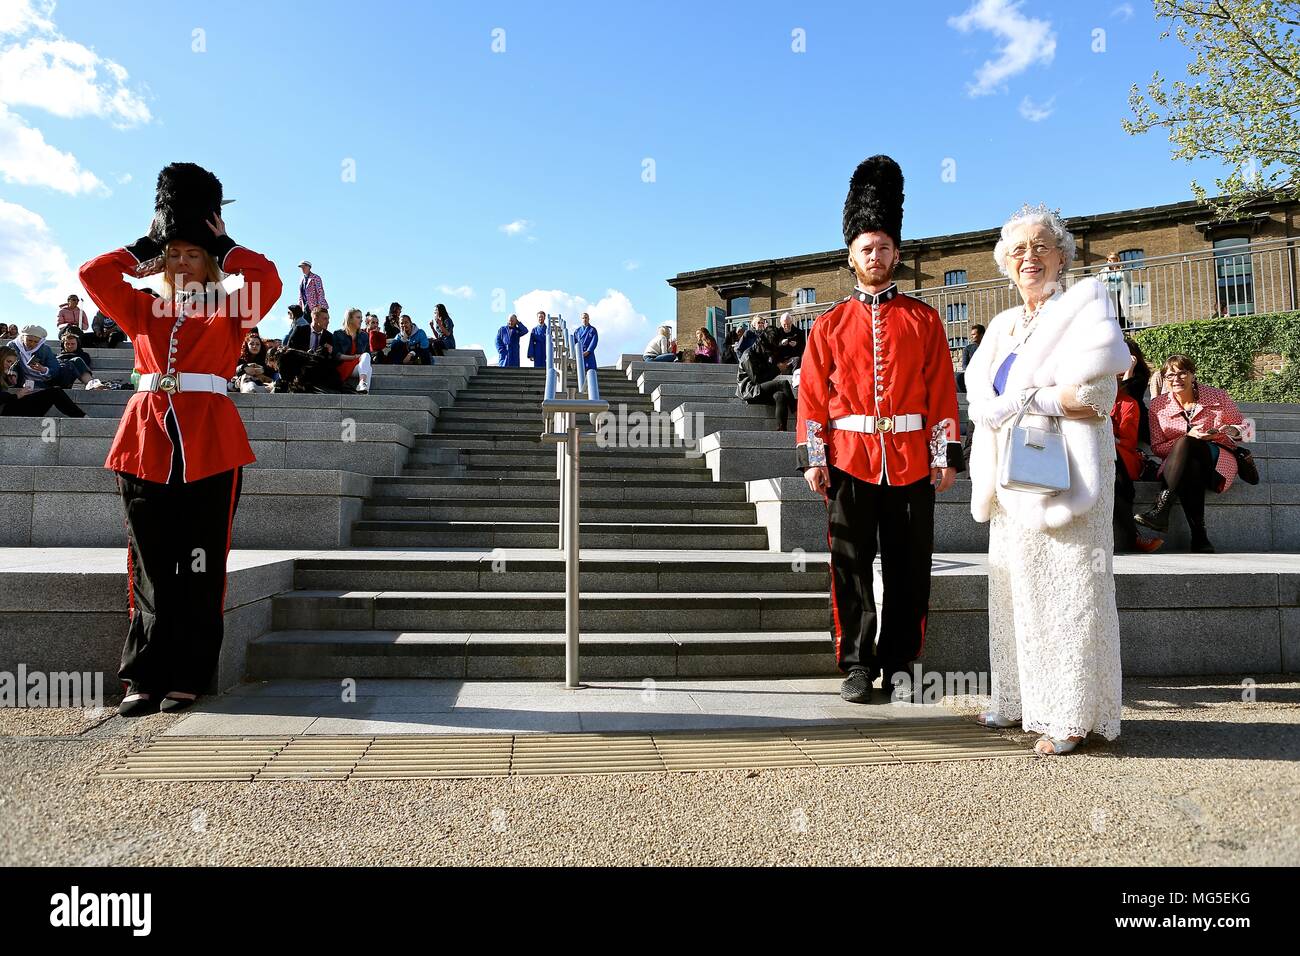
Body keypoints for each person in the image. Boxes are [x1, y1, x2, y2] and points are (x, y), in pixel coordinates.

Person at [78, 161, 282, 717]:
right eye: (174, 254)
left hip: (209, 439)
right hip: (145, 436)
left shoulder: (229, 309)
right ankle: (144, 675)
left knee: (200, 562)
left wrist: (228, 244)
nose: (184, 263)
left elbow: (269, 279)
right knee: (149, 561)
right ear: (159, 261)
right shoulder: (140, 304)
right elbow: (93, 274)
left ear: (209, 262)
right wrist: (143, 242)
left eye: (194, 254)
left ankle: (189, 674)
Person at [796, 155, 963, 706]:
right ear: (851, 257)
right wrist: (814, 456)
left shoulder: (925, 319)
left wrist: (946, 454)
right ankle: (857, 662)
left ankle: (901, 663)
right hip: (849, 457)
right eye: (867, 248)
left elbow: (941, 390)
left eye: (885, 247)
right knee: (849, 565)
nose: (876, 255)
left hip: (913, 457)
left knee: (909, 565)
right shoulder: (828, 324)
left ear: (896, 253)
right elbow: (814, 396)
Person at [964, 202, 1130, 756]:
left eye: (1041, 246)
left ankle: (1071, 714)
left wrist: (1026, 399)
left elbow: (1095, 398)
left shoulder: (1085, 311)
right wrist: (1002, 407)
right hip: (1011, 473)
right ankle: (1016, 700)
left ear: (1062, 254)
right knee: (1014, 588)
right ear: (1005, 264)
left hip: (1067, 473)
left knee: (1070, 589)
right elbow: (981, 398)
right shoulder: (1005, 325)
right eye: (1018, 250)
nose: (1029, 257)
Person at [1135, 354, 1244, 553]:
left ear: (1193, 375)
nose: (1176, 379)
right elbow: (1158, 448)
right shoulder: (1158, 406)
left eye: (1182, 373)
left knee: (1190, 445)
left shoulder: (1217, 396)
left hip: (1217, 460)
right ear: (1164, 380)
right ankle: (1200, 537)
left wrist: (1230, 431)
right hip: (1179, 465)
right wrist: (1188, 437)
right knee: (1189, 460)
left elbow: (1247, 428)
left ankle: (1162, 509)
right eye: (1169, 376)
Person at [0, 345, 87, 417]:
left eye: (12, 363)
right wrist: (16, 395)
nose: (10, 365)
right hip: (6, 411)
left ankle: (82, 417)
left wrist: (9, 381)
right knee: (54, 393)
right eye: (8, 361)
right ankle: (82, 417)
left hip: (8, 407)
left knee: (54, 392)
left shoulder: (4, 374)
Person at [737, 331, 794, 431]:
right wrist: (778, 369)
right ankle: (798, 414)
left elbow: (767, 375)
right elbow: (757, 379)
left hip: (759, 389)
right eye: (768, 351)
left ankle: (781, 429)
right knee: (783, 383)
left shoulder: (761, 353)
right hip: (749, 390)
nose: (769, 354)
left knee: (780, 396)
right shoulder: (748, 356)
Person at [332, 307, 374, 392]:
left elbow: (368, 355)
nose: (361, 320)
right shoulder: (338, 334)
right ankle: (364, 395)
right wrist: (354, 357)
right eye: (358, 317)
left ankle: (362, 384)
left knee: (368, 363)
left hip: (358, 366)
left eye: (361, 318)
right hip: (343, 365)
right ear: (350, 319)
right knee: (368, 368)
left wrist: (359, 359)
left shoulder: (364, 335)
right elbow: (336, 355)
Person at [1098, 252, 1128, 327]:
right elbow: (1097, 281)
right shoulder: (1103, 271)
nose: (1113, 261)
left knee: (1121, 312)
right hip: (1108, 294)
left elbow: (1129, 280)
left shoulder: (1122, 270)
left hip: (1119, 293)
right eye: (1111, 259)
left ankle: (1124, 329)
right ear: (1108, 260)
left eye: (1115, 259)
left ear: (1118, 260)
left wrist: (1121, 269)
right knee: (1111, 313)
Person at [957, 323, 984, 392]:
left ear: (981, 335)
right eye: (971, 334)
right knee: (959, 378)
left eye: (974, 334)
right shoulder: (968, 348)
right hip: (973, 374)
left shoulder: (990, 347)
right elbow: (964, 365)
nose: (972, 336)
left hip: (986, 373)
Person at [573, 311, 599, 378]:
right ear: (581, 319)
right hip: (580, 354)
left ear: (589, 319)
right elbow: (574, 343)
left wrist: (588, 351)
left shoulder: (593, 330)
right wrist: (577, 353)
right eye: (583, 318)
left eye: (586, 318)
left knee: (591, 371)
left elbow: (594, 341)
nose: (584, 319)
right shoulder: (577, 331)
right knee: (580, 372)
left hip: (589, 354)